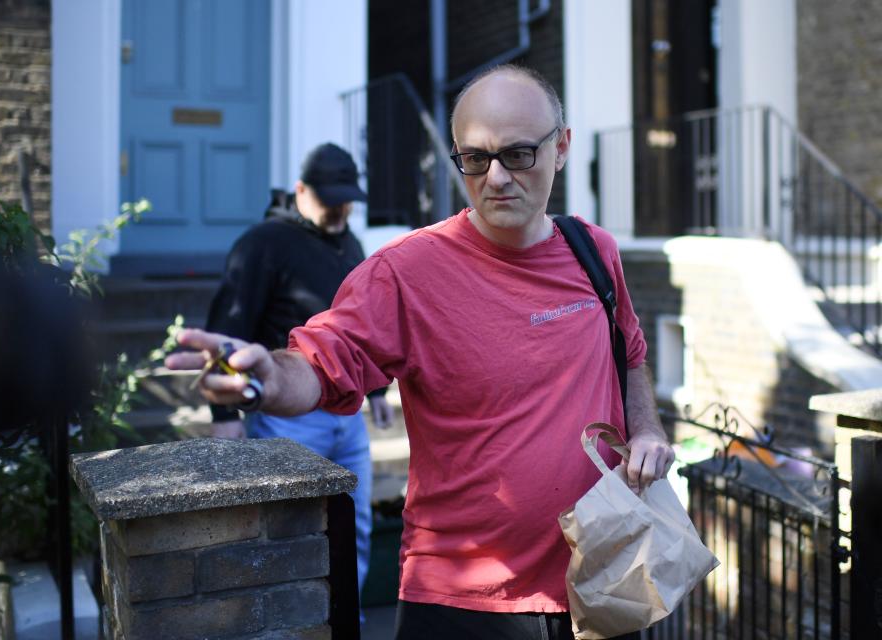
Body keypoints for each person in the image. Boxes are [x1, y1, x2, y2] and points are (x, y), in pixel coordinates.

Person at [168, 65, 674, 640]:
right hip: (464, 601)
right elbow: (322, 361)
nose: (497, 178)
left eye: (518, 154)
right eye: (475, 159)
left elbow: (629, 354)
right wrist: (265, 379)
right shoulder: (406, 272)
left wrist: (649, 431)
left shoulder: (593, 250)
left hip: (604, 579)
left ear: (561, 148)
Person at [204, 142, 393, 595]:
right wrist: (224, 417)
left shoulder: (351, 242)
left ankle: (353, 624)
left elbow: (360, 328)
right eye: (330, 199)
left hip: (348, 418)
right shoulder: (262, 244)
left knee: (354, 531)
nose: (340, 209)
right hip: (288, 418)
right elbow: (226, 328)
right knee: (291, 534)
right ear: (300, 190)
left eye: (348, 198)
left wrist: (377, 392)